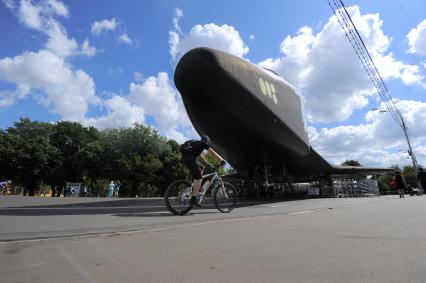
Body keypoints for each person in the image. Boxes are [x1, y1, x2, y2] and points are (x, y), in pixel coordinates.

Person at [180, 135, 226, 206]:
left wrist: (207, 164)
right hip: (190, 159)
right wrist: (222, 160)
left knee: (201, 167)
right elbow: (212, 152)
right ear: (207, 142)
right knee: (199, 178)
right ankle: (194, 199)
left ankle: (196, 184)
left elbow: (200, 156)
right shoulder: (203, 144)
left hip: (184, 158)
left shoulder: (195, 143)